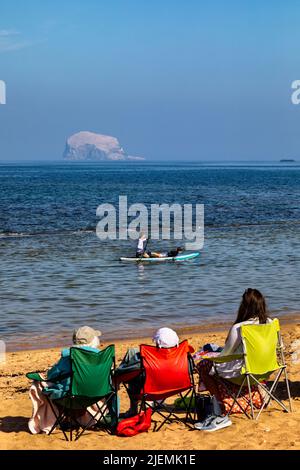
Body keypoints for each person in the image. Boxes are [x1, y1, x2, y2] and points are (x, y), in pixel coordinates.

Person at [195, 288, 273, 429]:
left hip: (243, 372)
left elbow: (226, 355)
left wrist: (212, 356)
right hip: (265, 370)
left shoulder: (239, 327)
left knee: (204, 365)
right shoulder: (270, 323)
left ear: (244, 306)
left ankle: (218, 405)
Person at [28, 326, 103, 434]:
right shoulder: (101, 357)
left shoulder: (68, 357)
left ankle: (46, 422)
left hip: (72, 397)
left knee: (38, 384)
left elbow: (52, 375)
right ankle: (84, 418)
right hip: (97, 394)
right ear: (93, 340)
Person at [116, 327, 188, 417]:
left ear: (157, 342)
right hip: (177, 387)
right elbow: (191, 369)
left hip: (151, 391)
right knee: (133, 356)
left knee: (134, 376)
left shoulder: (150, 358)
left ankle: (133, 409)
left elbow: (130, 372)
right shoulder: (182, 356)